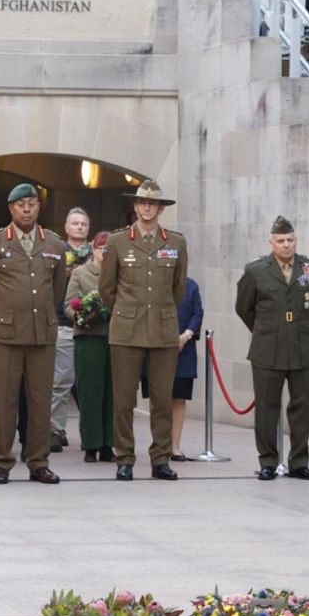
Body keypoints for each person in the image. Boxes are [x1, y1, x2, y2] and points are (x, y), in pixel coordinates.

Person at [0, 183, 68, 485]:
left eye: (32, 204)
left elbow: (57, 291)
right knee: (3, 402)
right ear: (11, 209)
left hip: (41, 334)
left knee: (40, 402)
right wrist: (5, 314)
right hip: (4, 334)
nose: (27, 210)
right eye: (20, 205)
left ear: (38, 207)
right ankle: (2, 461)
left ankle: (38, 462)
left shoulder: (54, 244)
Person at [99, 181, 188, 481]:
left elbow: (178, 289)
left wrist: (160, 311)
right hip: (126, 329)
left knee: (162, 400)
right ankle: (124, 458)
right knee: (124, 400)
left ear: (160, 209)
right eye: (142, 203)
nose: (147, 208)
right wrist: (127, 311)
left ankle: (160, 459)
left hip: (162, 330)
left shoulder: (175, 243)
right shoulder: (117, 241)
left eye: (153, 204)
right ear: (135, 206)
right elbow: (107, 289)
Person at [235, 215, 309, 481]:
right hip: (267, 348)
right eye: (280, 241)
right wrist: (267, 329)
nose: (286, 245)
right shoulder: (256, 270)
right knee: (267, 408)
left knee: (302, 407)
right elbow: (244, 308)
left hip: (301, 346)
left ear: (295, 240)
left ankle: (299, 463)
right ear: (271, 242)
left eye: (290, 240)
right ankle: (268, 461)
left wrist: (298, 327)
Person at [64, 231, 114, 463]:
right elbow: (68, 305)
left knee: (112, 393)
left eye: (109, 249)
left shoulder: (119, 273)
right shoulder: (80, 273)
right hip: (88, 337)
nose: (105, 253)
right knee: (90, 392)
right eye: (101, 248)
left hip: (114, 337)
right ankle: (91, 445)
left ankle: (108, 444)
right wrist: (81, 314)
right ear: (93, 249)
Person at [49, 207, 92, 453]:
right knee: (60, 381)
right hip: (63, 324)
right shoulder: (56, 253)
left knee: (90, 383)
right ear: (66, 227)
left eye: (83, 224)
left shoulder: (96, 253)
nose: (79, 227)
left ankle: (92, 433)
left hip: (92, 326)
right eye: (75, 223)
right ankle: (55, 430)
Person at [161, 276, 202, 461]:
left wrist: (186, 336)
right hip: (157, 347)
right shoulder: (154, 281)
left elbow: (197, 313)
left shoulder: (191, 285)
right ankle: (160, 445)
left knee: (179, 397)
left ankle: (175, 446)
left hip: (183, 350)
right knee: (159, 398)